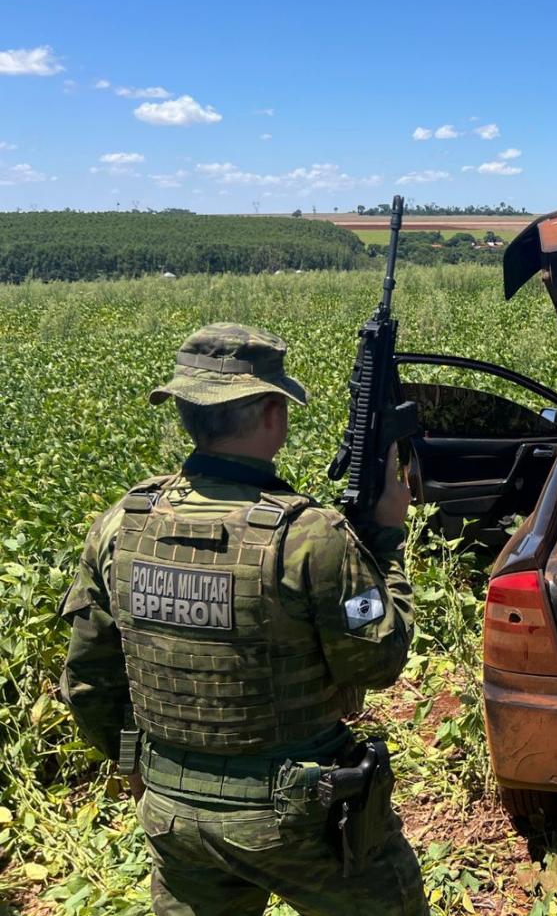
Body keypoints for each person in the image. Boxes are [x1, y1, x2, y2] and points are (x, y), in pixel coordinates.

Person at [60, 323, 427, 915]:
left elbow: (89, 679)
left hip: (172, 811)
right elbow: (379, 661)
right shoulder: (309, 537)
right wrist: (384, 540)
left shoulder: (122, 523)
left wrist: (137, 767)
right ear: (272, 414)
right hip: (300, 816)